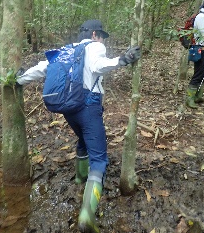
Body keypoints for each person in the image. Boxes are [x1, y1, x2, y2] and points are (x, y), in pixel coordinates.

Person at [16, 19, 140, 233]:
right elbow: (98, 66)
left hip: (67, 108)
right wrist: (123, 60)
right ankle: (87, 217)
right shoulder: (95, 47)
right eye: (101, 36)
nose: (103, 40)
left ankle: (79, 178)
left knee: (82, 139)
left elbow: (42, 68)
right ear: (94, 34)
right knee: (100, 159)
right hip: (88, 106)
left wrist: (19, 80)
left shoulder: (66, 49)